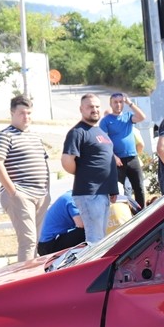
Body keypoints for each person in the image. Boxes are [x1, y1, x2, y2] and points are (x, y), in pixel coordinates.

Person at [0, 95, 51, 262]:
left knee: (35, 241)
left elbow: (44, 163)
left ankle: (33, 278)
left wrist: (47, 192)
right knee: (28, 241)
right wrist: (13, 192)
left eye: (29, 113)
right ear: (12, 113)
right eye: (22, 113)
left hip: (40, 195)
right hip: (21, 194)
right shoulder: (5, 136)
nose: (26, 117)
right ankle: (24, 282)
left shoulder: (35, 136)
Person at [61, 93, 118, 244]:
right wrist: (84, 175)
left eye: (97, 106)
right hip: (89, 193)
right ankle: (94, 268)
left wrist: (112, 189)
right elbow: (67, 161)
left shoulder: (99, 131)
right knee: (95, 239)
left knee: (101, 239)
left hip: (103, 193)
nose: (94, 109)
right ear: (81, 109)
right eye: (90, 106)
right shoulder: (77, 132)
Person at [98, 92, 147, 210]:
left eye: (121, 102)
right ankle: (125, 212)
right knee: (120, 189)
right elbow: (102, 142)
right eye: (115, 102)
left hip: (132, 157)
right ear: (111, 103)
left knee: (139, 187)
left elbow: (142, 117)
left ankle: (142, 212)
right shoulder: (105, 121)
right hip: (116, 160)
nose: (118, 104)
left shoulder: (128, 116)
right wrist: (113, 156)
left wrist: (130, 103)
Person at [37, 190, 85, 256]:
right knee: (85, 232)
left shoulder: (71, 195)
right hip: (49, 246)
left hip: (46, 243)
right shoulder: (72, 200)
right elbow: (81, 225)